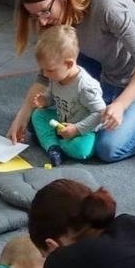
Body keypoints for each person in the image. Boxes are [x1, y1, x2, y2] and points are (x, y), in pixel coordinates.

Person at [6, 0, 135, 163]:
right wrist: (22, 114)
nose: (42, 20)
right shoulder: (52, 18)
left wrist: (120, 105)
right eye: (35, 16)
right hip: (109, 79)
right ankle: (91, 129)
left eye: (45, 11)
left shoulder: (107, 5)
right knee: (35, 124)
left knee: (108, 148)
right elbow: (46, 75)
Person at [29, 25, 107, 167]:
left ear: (69, 64)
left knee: (81, 150)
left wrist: (76, 129)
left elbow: (100, 113)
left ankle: (51, 142)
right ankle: (54, 147)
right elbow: (52, 96)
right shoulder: (56, 77)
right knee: (37, 115)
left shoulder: (86, 87)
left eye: (49, 70)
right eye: (43, 69)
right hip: (61, 120)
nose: (45, 75)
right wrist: (45, 100)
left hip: (83, 129)